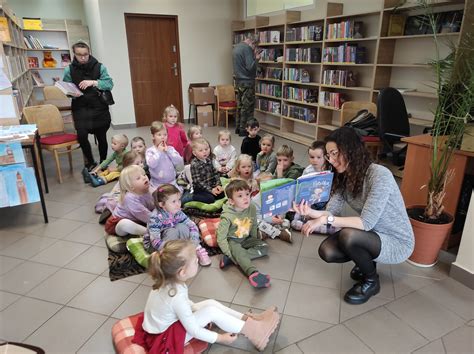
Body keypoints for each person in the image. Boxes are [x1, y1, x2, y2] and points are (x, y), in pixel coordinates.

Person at [293, 127, 414, 305]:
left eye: (334, 153)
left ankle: (371, 281)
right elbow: (331, 211)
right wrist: (309, 212)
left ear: (351, 150)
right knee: (327, 251)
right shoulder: (344, 176)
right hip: (372, 234)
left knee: (348, 236)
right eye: (328, 155)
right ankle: (367, 261)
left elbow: (365, 222)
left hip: (396, 241)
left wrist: (324, 220)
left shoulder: (380, 175)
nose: (331, 160)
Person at [136, 240, 280, 352]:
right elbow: (194, 330)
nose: (198, 261)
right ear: (182, 272)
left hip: (163, 328)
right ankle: (256, 333)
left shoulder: (167, 281)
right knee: (210, 311)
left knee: (210, 304)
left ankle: (248, 320)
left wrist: (199, 311)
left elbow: (185, 305)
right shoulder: (176, 296)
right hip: (165, 340)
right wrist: (220, 338)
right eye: (194, 261)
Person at [63, 41, 113, 172]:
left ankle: (103, 162)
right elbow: (67, 87)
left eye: (85, 54)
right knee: (82, 136)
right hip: (80, 107)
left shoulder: (99, 67)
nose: (83, 57)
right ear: (74, 54)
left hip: (98, 107)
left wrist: (94, 82)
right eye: (79, 55)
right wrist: (72, 93)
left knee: (102, 136)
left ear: (89, 52)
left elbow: (109, 84)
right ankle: (90, 162)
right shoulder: (69, 70)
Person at [217, 179, 270, 288]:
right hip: (233, 240)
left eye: (247, 194)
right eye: (240, 196)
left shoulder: (251, 207)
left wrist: (254, 239)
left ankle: (236, 259)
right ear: (231, 201)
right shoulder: (227, 217)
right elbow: (221, 239)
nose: (246, 198)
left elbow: (254, 224)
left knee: (264, 247)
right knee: (238, 252)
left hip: (246, 238)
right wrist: (229, 254)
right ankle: (253, 273)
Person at [143, 184, 211, 266]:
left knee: (183, 227)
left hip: (173, 240)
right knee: (171, 231)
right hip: (157, 246)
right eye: (173, 201)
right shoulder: (155, 218)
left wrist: (194, 242)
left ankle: (195, 250)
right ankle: (172, 257)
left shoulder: (178, 212)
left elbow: (192, 225)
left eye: (179, 200)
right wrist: (174, 249)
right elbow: (155, 241)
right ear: (162, 204)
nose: (178, 204)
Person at [291, 141, 330, 231]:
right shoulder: (308, 170)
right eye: (312, 157)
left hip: (325, 202)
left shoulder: (330, 169)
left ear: (325, 157)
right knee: (300, 211)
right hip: (311, 202)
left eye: (318, 157)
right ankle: (305, 221)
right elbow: (302, 187)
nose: (315, 160)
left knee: (328, 213)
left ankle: (316, 223)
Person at [104, 165, 154, 237]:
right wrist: (158, 222)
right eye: (138, 178)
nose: (144, 178)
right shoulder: (130, 198)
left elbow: (158, 200)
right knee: (125, 224)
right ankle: (148, 232)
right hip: (117, 223)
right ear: (131, 186)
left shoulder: (148, 188)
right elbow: (143, 213)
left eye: (144, 174)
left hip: (138, 220)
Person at [233, 33, 261, 136]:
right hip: (248, 82)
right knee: (248, 107)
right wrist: (257, 58)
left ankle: (238, 128)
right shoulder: (247, 49)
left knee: (240, 105)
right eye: (254, 45)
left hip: (239, 81)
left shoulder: (236, 47)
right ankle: (245, 130)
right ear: (252, 42)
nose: (254, 48)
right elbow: (250, 67)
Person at [146, 121, 183, 192]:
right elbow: (151, 164)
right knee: (157, 197)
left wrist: (169, 152)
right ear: (153, 136)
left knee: (176, 195)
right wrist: (159, 152)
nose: (162, 137)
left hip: (172, 182)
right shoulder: (150, 151)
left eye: (165, 135)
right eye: (159, 135)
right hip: (157, 184)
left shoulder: (170, 149)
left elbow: (179, 161)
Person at [190, 138, 224, 203]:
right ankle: (193, 196)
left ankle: (212, 193)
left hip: (211, 184)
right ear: (194, 153)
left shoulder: (209, 159)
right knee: (210, 199)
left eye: (206, 149)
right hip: (201, 189)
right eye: (201, 150)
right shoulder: (194, 164)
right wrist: (211, 190)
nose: (205, 152)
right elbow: (198, 182)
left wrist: (218, 185)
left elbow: (215, 173)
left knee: (222, 194)